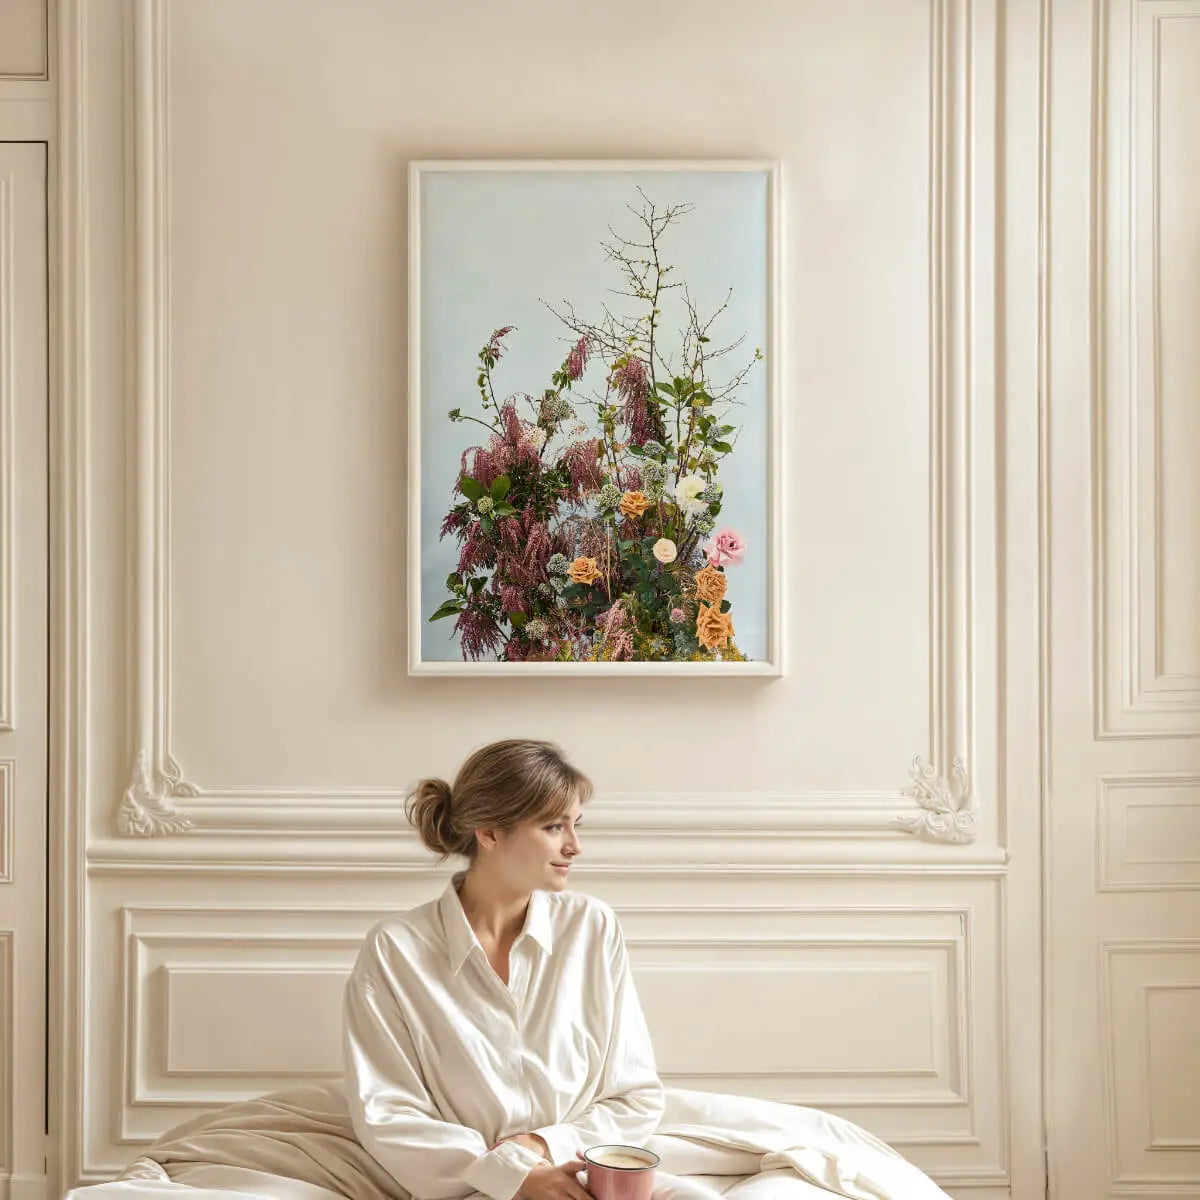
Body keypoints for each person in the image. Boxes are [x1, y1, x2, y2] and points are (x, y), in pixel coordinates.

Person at [343, 739, 664, 1200]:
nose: (575, 846)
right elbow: (387, 1114)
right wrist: (511, 1177)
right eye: (554, 827)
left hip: (588, 1173)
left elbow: (635, 1096)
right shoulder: (397, 951)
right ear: (489, 833)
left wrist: (539, 1146)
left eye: (576, 825)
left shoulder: (592, 928)